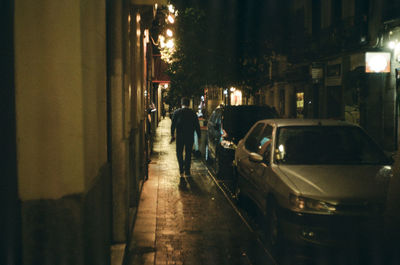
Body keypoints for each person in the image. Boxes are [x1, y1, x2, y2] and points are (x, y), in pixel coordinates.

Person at [171, 97, 201, 178]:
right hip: (189, 136)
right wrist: (199, 136)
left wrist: (172, 135)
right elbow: (197, 125)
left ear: (181, 104)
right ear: (189, 104)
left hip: (180, 136)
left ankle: (181, 169)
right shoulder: (193, 113)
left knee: (179, 152)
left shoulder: (177, 112)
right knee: (188, 153)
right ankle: (187, 171)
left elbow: (173, 124)